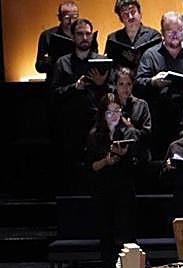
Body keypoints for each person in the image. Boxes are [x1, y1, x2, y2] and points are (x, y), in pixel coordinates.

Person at [136, 11, 183, 157]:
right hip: (160, 118)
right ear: (162, 32)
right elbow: (138, 84)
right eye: (170, 31)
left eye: (178, 30)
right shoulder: (151, 55)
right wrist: (153, 82)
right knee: (162, 158)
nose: (175, 35)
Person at [86, 94, 142, 268]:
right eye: (109, 112)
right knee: (107, 240)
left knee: (128, 237)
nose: (114, 115)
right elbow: (91, 166)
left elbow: (138, 163)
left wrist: (125, 156)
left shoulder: (128, 133)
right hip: (103, 192)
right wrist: (106, 161)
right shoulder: (95, 135)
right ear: (103, 114)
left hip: (124, 191)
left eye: (117, 111)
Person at [50, 17, 111, 162]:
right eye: (79, 33)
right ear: (72, 36)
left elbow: (114, 92)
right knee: (71, 168)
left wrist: (101, 83)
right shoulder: (62, 62)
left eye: (88, 33)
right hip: (71, 125)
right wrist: (74, 87)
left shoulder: (103, 61)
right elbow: (53, 94)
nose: (85, 37)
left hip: (97, 125)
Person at [106, 1, 161, 72]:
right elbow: (110, 67)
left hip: (148, 80)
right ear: (121, 18)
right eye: (125, 14)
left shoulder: (154, 36)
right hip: (122, 81)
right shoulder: (113, 39)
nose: (130, 17)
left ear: (140, 13)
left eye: (133, 12)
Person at [37, 2, 84, 76]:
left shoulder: (85, 35)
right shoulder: (47, 36)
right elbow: (39, 67)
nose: (71, 21)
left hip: (79, 81)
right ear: (59, 17)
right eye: (67, 17)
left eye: (75, 17)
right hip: (55, 81)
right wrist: (48, 62)